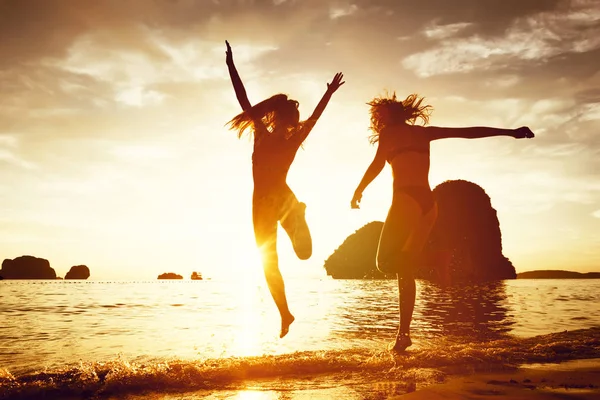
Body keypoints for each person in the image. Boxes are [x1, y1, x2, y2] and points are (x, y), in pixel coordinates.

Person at [351, 93, 534, 351]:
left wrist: (358, 191)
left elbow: (376, 165)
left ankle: (435, 259)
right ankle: (403, 335)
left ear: (388, 116)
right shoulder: (425, 133)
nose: (377, 118)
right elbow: (468, 132)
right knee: (404, 269)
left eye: (380, 114)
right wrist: (510, 131)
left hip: (405, 200)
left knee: (383, 263)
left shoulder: (388, 135)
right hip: (428, 205)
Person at [225, 40, 344, 338]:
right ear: (280, 117)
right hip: (265, 203)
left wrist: (327, 94)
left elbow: (315, 117)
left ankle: (300, 215)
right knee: (268, 262)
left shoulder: (278, 138)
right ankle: (285, 313)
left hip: (277, 198)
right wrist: (230, 66)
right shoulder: (263, 133)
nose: (296, 122)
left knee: (303, 255)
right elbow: (244, 99)